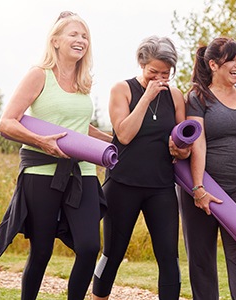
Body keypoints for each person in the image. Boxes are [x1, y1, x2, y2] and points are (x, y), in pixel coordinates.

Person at [0, 11, 112, 300]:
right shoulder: (39, 75)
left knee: (88, 247)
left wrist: (116, 143)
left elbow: (80, 127)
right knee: (42, 250)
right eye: (74, 34)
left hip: (81, 172)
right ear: (56, 40)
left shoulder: (84, 83)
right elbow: (7, 122)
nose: (80, 40)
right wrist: (40, 141)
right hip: (42, 173)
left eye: (85, 36)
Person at [91, 36, 190, 300]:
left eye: (166, 74)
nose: (159, 78)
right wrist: (146, 97)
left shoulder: (176, 96)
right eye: (153, 72)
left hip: (161, 187)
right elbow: (123, 134)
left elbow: (185, 143)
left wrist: (181, 148)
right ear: (141, 64)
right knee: (112, 253)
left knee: (169, 256)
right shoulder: (121, 90)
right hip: (122, 184)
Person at [178, 37, 236, 300]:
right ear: (214, 64)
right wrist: (198, 188)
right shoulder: (197, 97)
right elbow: (198, 143)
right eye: (232, 59)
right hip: (204, 188)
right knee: (202, 260)